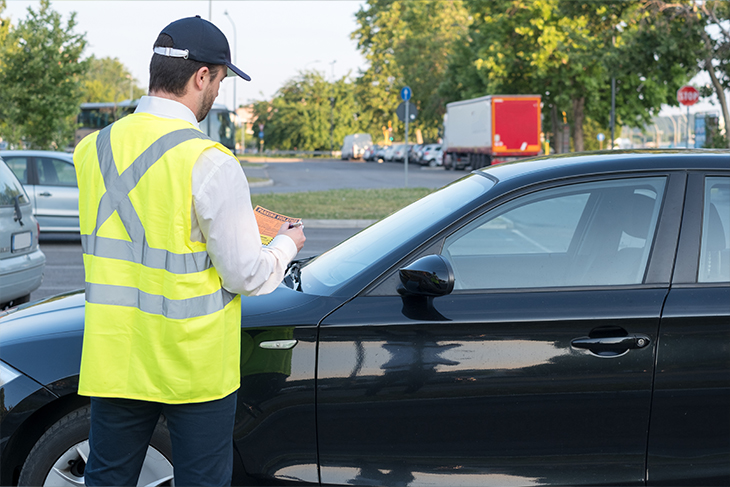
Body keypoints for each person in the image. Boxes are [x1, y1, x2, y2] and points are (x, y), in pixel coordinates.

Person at [73, 16, 305, 487]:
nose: (218, 92)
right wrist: (285, 244)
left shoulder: (91, 150)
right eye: (219, 80)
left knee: (106, 480)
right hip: (193, 366)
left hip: (116, 357)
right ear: (202, 76)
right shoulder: (210, 162)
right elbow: (244, 275)